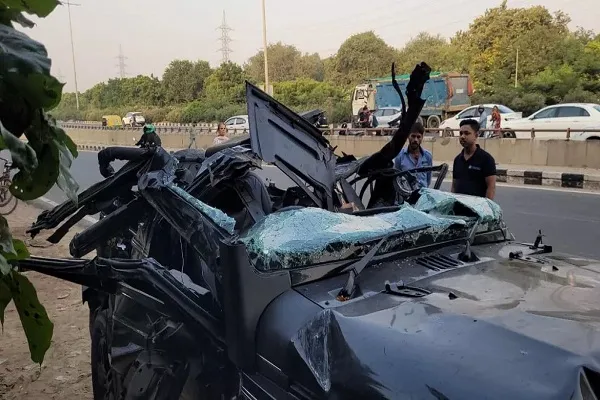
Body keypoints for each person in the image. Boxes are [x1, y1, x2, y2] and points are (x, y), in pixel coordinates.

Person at [451, 119, 496, 200]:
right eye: (461, 133)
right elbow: (454, 186)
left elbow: (491, 188)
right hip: (459, 206)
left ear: (476, 135)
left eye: (466, 133)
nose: (462, 136)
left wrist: (486, 206)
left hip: (477, 206)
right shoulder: (457, 160)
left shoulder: (486, 159)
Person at [393, 121, 433, 189]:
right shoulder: (400, 156)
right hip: (406, 194)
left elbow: (428, 180)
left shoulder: (428, 156)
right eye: (413, 136)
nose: (415, 140)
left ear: (422, 138)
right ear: (408, 136)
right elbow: (396, 179)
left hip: (423, 194)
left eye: (418, 137)